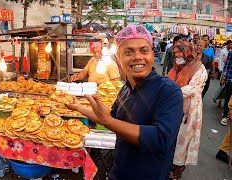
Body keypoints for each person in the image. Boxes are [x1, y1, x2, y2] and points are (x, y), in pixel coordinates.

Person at [67, 24, 184, 179]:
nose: (137, 56)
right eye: (128, 52)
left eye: (144, 50)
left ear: (152, 55)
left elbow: (160, 139)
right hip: (119, 171)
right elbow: (110, 118)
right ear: (119, 59)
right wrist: (79, 108)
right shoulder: (126, 89)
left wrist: (108, 121)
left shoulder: (169, 91)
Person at [168, 41, 207, 179]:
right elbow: (168, 81)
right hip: (173, 109)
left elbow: (192, 88)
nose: (178, 59)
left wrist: (169, 92)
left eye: (181, 56)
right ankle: (168, 168)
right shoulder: (176, 68)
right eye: (176, 56)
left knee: (182, 143)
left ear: (188, 54)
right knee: (170, 139)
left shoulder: (199, 69)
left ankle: (176, 173)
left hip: (189, 111)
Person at [220, 49, 232, 126]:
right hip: (230, 79)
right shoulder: (231, 53)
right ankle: (225, 116)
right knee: (227, 97)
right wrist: (223, 77)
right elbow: (227, 65)